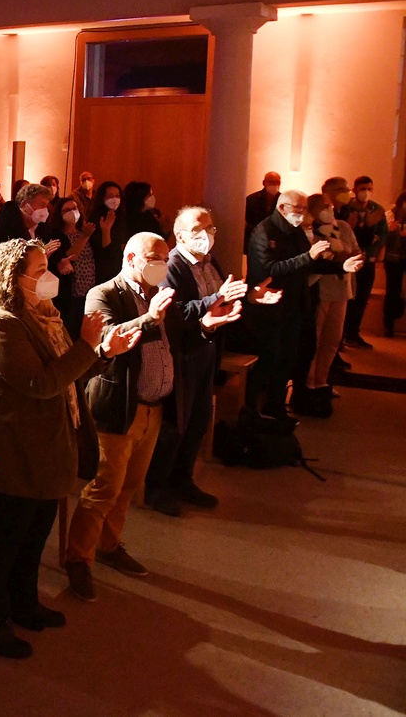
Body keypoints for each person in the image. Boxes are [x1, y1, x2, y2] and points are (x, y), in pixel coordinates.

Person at [0, 238, 138, 659]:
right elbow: (40, 384)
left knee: (34, 533)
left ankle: (23, 603)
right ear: (12, 277)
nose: (49, 276)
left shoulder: (44, 316)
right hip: (11, 446)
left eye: (47, 266)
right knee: (6, 540)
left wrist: (101, 352)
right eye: (39, 270)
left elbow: (65, 372)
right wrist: (86, 345)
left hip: (45, 442)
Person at [65, 233, 240, 601]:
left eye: (164, 257)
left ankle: (109, 546)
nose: (161, 263)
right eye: (153, 257)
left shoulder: (160, 294)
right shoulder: (104, 293)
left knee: (130, 486)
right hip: (118, 408)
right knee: (103, 488)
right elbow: (109, 340)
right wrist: (149, 318)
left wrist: (207, 326)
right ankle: (78, 559)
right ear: (131, 257)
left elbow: (177, 341)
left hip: (154, 407)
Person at [145, 208, 277, 516]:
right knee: (176, 421)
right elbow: (174, 311)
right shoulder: (170, 266)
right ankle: (156, 487)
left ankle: (183, 479)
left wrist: (250, 296)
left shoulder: (207, 261)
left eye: (211, 229)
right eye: (198, 229)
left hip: (207, 346)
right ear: (180, 235)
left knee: (200, 418)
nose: (207, 235)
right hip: (182, 351)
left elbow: (220, 298)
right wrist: (215, 298)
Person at [246, 191, 363, 419]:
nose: (302, 213)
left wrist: (341, 267)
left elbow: (308, 265)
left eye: (304, 209)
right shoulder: (264, 231)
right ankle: (251, 411)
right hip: (270, 304)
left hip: (296, 304)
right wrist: (307, 257)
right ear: (282, 208)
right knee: (269, 359)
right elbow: (271, 269)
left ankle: (276, 406)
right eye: (298, 209)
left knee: (290, 358)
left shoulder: (296, 231)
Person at [292, 195, 361, 417]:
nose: (329, 210)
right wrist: (335, 258)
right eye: (324, 207)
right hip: (321, 290)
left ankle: (322, 382)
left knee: (332, 339)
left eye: (330, 206)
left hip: (341, 290)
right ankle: (308, 383)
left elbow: (355, 250)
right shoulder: (309, 231)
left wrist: (347, 256)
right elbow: (316, 260)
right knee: (316, 339)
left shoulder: (341, 226)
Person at [341, 175, 387, 347]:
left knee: (362, 298)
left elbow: (382, 235)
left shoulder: (377, 210)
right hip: (349, 259)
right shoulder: (346, 209)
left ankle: (354, 333)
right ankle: (342, 334)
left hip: (368, 260)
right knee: (348, 298)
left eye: (369, 189)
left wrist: (375, 247)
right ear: (355, 190)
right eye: (362, 189)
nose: (366, 193)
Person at [49, 195, 98, 336]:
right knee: (71, 328)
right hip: (71, 290)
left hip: (89, 287)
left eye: (74, 208)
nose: (72, 212)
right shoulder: (57, 234)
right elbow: (70, 256)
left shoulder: (83, 229)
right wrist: (85, 236)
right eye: (67, 210)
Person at [0, 183, 61, 263]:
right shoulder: (2, 229)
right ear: (24, 205)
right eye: (41, 205)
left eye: (46, 205)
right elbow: (1, 264)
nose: (44, 210)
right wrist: (40, 256)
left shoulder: (42, 227)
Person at [89, 181, 127, 283]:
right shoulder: (96, 218)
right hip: (103, 269)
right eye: (110, 196)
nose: (115, 199)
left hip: (120, 266)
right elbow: (105, 251)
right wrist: (106, 229)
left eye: (117, 196)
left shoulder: (122, 216)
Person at [384, 192, 406, 337]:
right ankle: (389, 325)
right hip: (393, 258)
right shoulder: (390, 215)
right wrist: (392, 232)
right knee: (393, 290)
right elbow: (382, 236)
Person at [244, 172, 282, 250]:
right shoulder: (251, 199)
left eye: (277, 182)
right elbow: (246, 223)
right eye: (271, 182)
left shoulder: (284, 200)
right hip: (255, 242)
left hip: (277, 244)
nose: (274, 185)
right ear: (264, 183)